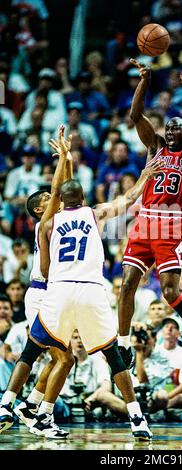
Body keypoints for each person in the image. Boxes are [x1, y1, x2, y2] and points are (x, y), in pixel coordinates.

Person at [29, 163, 164, 440]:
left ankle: (32, 409)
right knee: (113, 355)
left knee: (43, 353)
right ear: (82, 197)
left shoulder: (48, 224)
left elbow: (44, 269)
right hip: (91, 289)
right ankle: (137, 417)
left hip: (60, 291)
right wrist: (145, 175)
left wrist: (64, 159)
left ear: (59, 200)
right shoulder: (94, 212)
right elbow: (128, 200)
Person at [117, 57, 182, 380]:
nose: (172, 131)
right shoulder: (155, 147)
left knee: (170, 293)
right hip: (144, 221)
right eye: (169, 127)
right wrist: (144, 80)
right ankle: (123, 344)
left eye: (178, 128)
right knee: (127, 284)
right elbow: (135, 115)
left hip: (171, 225)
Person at [0, 126, 74, 435]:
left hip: (57, 294)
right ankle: (23, 408)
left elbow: (66, 187)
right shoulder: (44, 222)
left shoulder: (63, 217)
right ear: (38, 210)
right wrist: (62, 160)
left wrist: (67, 158)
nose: (52, 196)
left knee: (59, 358)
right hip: (42, 294)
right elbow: (59, 190)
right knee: (60, 356)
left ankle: (28, 405)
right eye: (46, 197)